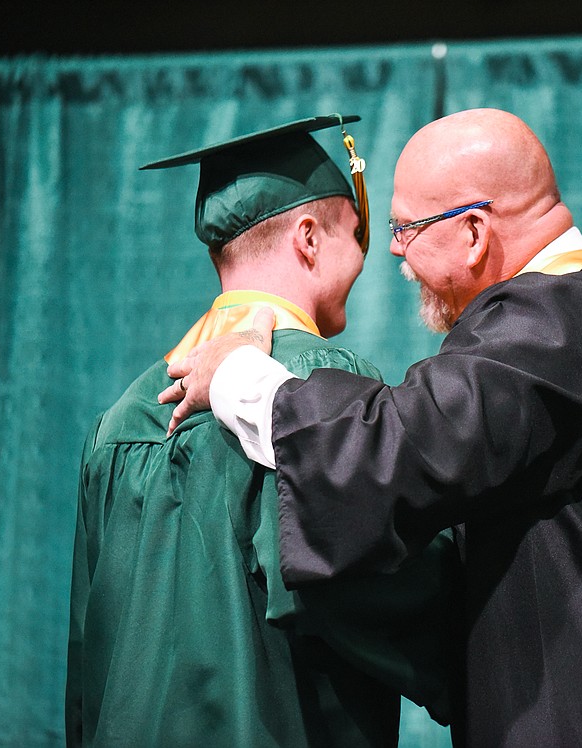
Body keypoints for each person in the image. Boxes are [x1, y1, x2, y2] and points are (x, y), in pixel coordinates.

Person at [161, 108, 582, 746]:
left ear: (473, 231)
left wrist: (235, 374)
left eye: (404, 228)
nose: (390, 250)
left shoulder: (562, 315)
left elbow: (390, 449)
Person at [67, 115, 462, 747]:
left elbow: (91, 650)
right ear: (308, 237)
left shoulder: (118, 425)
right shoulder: (320, 390)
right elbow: (365, 591)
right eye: (356, 235)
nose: (367, 258)